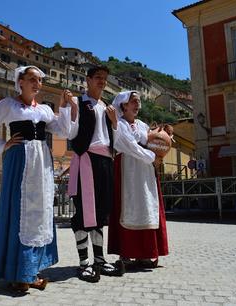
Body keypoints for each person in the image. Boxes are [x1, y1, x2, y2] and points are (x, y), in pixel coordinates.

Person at [0, 65, 77, 292]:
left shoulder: (43, 110)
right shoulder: (8, 105)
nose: (36, 84)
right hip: (20, 160)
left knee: (40, 211)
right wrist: (2, 145)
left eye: (39, 80)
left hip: (41, 161)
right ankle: (19, 272)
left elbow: (63, 131)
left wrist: (64, 106)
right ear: (20, 81)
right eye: (32, 79)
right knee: (19, 211)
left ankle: (29, 271)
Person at [65, 66, 123, 283]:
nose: (102, 81)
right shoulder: (79, 103)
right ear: (87, 80)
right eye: (98, 77)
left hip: (106, 160)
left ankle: (99, 259)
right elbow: (70, 133)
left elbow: (117, 140)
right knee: (83, 211)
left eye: (105, 79)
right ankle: (83, 263)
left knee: (101, 211)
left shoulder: (108, 108)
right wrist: (70, 109)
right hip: (87, 159)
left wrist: (115, 122)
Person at [108, 91, 169, 271]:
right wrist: (152, 157)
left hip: (146, 172)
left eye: (139, 102)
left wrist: (162, 141)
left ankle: (145, 254)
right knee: (129, 208)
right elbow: (128, 146)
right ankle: (126, 253)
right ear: (124, 105)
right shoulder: (119, 124)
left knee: (147, 207)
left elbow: (154, 141)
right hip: (128, 169)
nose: (137, 105)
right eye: (133, 101)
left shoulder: (142, 125)